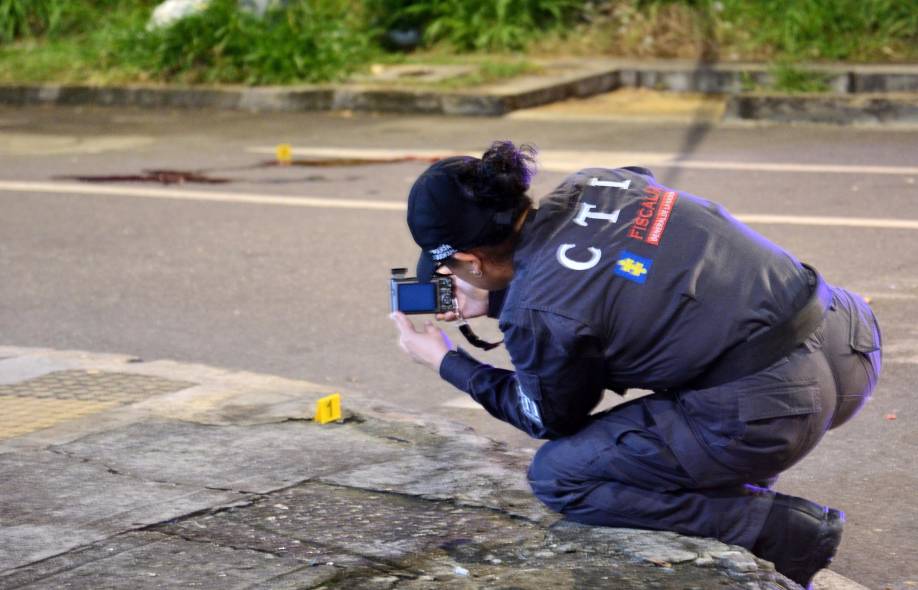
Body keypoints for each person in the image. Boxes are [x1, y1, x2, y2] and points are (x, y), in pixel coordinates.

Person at [389, 141, 882, 588]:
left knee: (560, 476)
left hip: (776, 410)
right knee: (693, 377)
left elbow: (549, 417)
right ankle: (731, 487)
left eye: (448, 268)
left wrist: (446, 360)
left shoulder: (537, 313)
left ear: (472, 261)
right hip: (849, 341)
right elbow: (613, 275)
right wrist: (497, 303)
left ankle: (780, 532)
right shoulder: (597, 180)